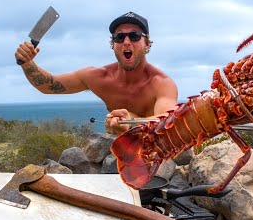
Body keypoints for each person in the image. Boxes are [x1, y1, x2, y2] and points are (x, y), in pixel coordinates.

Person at [15, 11, 178, 135]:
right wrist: (27, 63)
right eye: (119, 37)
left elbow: (167, 124)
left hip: (156, 150)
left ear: (147, 44)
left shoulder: (162, 84)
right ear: (112, 44)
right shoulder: (98, 77)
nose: (126, 42)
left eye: (134, 36)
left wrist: (131, 123)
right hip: (120, 148)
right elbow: (48, 86)